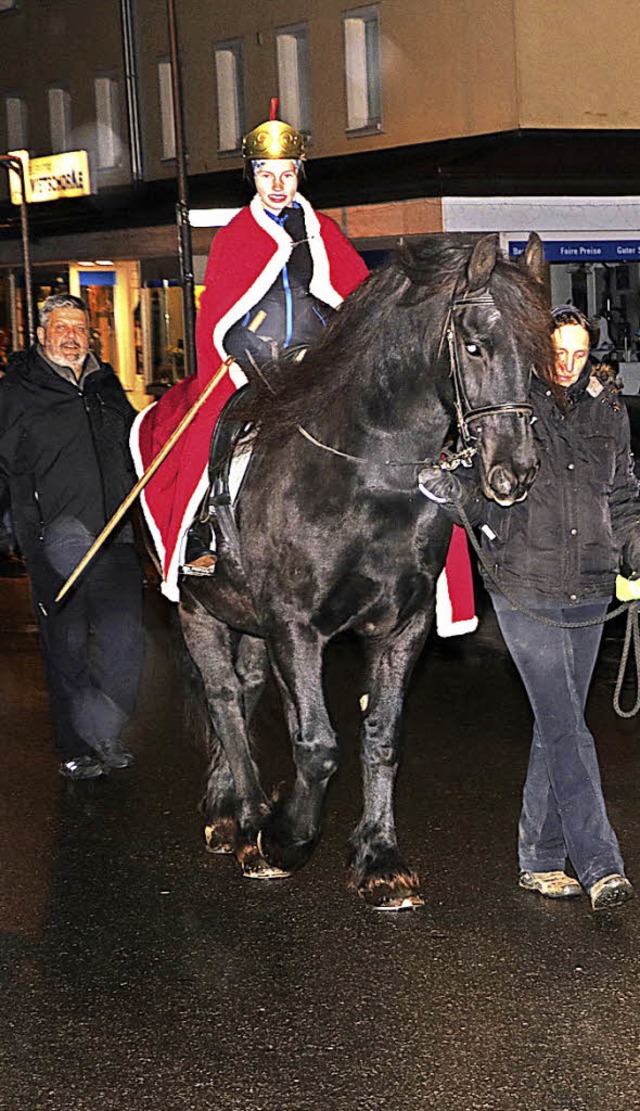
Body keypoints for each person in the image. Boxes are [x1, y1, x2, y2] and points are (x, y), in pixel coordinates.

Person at [420, 305, 640, 910]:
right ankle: (601, 865)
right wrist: (452, 490)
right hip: (525, 585)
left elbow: (622, 498)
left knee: (556, 722)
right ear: (538, 350)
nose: (567, 366)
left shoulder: (609, 410)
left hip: (592, 585)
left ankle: (540, 860)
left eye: (579, 354)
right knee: (569, 724)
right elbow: (489, 495)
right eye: (557, 353)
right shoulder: (512, 407)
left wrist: (637, 552)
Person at [130, 99, 369, 601]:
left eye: (287, 174)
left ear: (299, 174)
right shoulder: (236, 236)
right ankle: (204, 528)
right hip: (250, 363)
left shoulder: (322, 232)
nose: (278, 185)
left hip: (317, 362)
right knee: (213, 428)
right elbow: (220, 312)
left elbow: (351, 298)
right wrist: (245, 351)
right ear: (253, 177)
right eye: (267, 174)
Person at [0, 293, 144, 780]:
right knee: (67, 650)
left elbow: (135, 446)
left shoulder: (105, 385)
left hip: (115, 538)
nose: (71, 337)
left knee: (125, 647)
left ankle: (106, 730)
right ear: (41, 334)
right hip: (55, 545)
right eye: (61, 327)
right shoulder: (19, 391)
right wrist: (12, 531)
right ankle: (76, 746)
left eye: (80, 328)